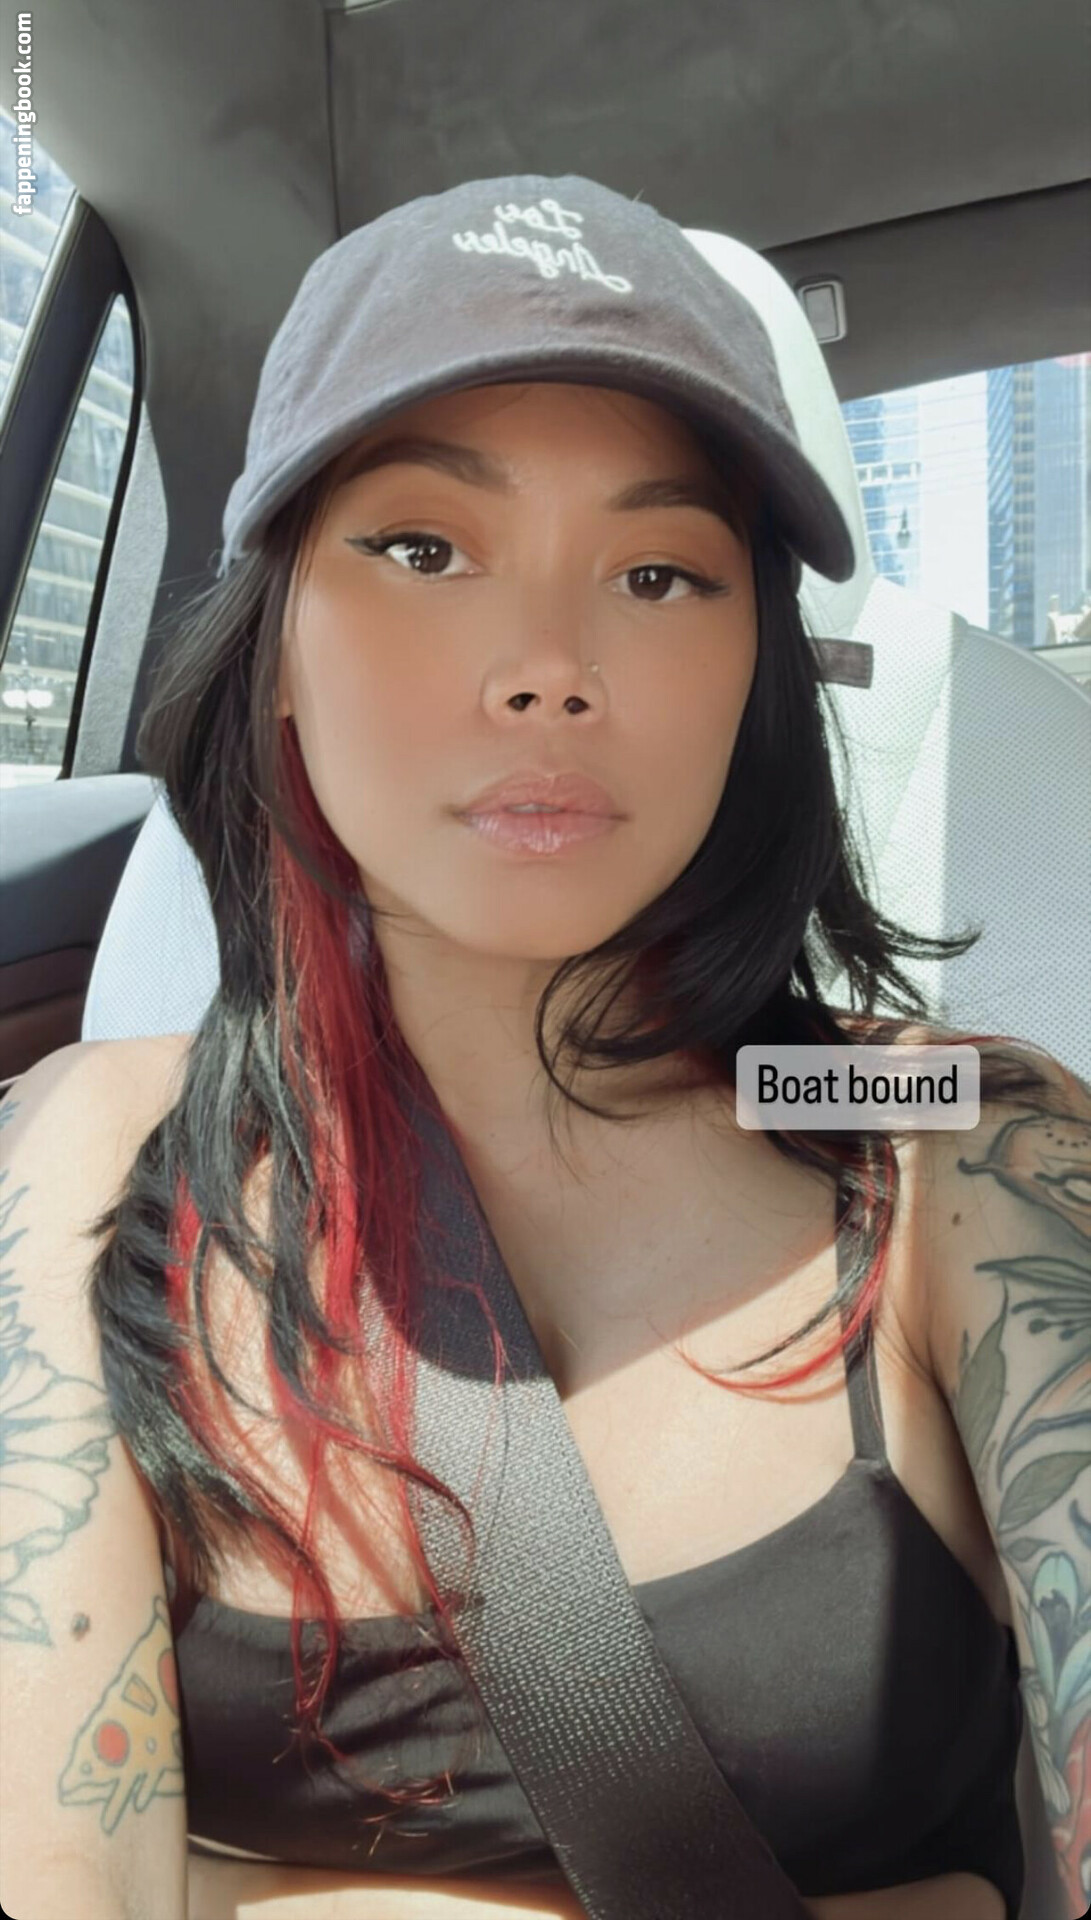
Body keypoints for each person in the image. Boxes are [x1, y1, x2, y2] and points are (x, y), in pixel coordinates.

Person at [3, 173, 1086, 1920]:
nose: (549, 670)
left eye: (659, 573)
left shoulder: (929, 1117)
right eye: (424, 550)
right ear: (276, 645)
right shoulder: (102, 1148)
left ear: (755, 675)